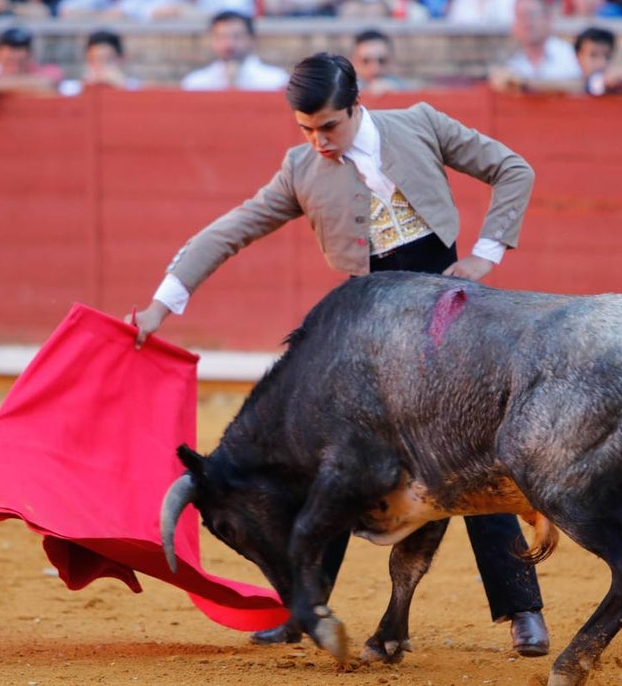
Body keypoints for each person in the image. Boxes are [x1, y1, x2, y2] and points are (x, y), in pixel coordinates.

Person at [131, 52, 550, 658]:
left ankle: (523, 612)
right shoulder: (300, 168)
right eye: (305, 129)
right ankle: (307, 609)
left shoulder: (422, 124)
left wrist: (485, 254)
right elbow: (232, 229)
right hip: (367, 336)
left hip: (447, 322)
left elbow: (513, 169)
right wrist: (159, 305)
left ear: (357, 106)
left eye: (328, 126)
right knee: (337, 465)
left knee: (467, 461)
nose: (318, 141)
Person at [487, 0, 580, 92]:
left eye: (531, 15)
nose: (527, 23)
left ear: (548, 19)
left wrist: (526, 84)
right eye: (520, 17)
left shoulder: (569, 54)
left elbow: (580, 85)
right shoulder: (510, 59)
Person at [180, 10, 289, 90]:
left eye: (237, 37)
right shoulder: (195, 83)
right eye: (222, 37)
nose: (229, 44)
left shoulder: (276, 81)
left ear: (252, 39)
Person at [59, 28, 144, 94]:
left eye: (108, 60)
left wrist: (121, 85)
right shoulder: (71, 89)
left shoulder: (134, 87)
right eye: (95, 59)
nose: (101, 66)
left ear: (121, 59)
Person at [350, 28, 411, 95]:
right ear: (354, 62)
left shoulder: (402, 88)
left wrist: (395, 92)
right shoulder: (345, 89)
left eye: (381, 61)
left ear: (390, 61)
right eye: (366, 61)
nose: (374, 68)